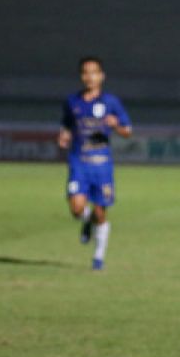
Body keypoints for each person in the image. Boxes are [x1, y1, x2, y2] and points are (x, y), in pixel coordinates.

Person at [57, 57, 132, 270]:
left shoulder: (111, 102)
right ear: (81, 76)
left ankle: (98, 257)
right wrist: (64, 134)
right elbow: (67, 124)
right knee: (76, 208)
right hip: (79, 161)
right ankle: (86, 220)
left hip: (102, 164)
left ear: (101, 76)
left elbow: (128, 131)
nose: (89, 77)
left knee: (100, 212)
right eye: (85, 72)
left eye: (94, 72)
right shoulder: (72, 101)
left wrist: (116, 125)